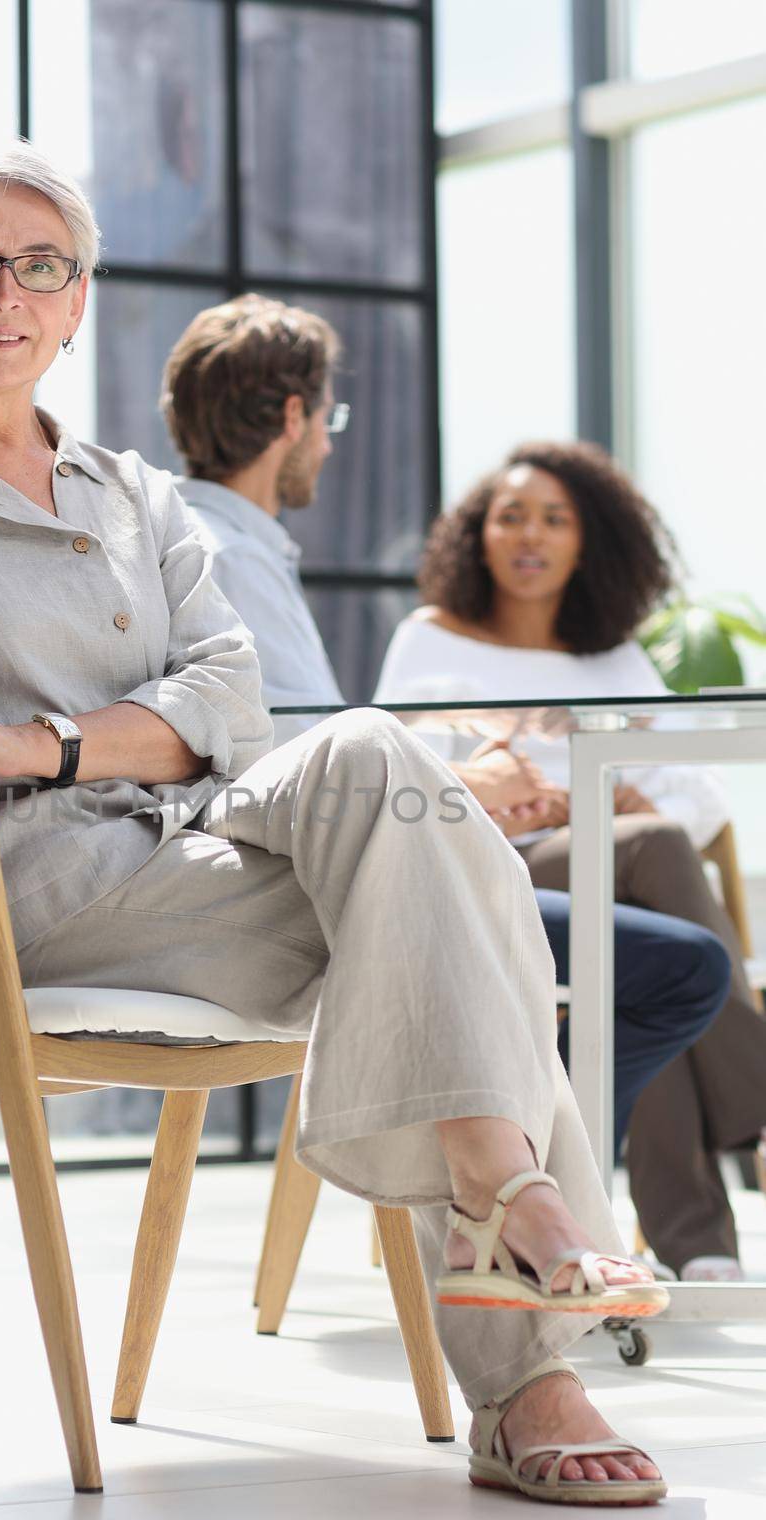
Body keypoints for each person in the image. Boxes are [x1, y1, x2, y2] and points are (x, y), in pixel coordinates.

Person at [0, 144, 667, 1505]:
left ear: (79, 301)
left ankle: (511, 1226)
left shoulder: (130, 492)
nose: (3, 293)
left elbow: (231, 695)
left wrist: (41, 739)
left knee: (383, 761)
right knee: (465, 899)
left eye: (42, 266)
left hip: (182, 846)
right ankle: (527, 1348)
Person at [162, 293, 730, 1194]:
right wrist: (472, 787)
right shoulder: (226, 559)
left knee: (663, 941)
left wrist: (470, 783)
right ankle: (522, 1202)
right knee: (679, 968)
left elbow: (294, 751)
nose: (331, 444)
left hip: (365, 859)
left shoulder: (218, 546)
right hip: (339, 888)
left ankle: (533, 1201)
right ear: (293, 417)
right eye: (329, 419)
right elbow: (301, 767)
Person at [377, 442, 766, 1281]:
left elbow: (696, 793)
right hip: (489, 873)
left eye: (555, 520)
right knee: (650, 866)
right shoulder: (429, 641)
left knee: (642, 950)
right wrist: (538, 799)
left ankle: (700, 1252)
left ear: (588, 542)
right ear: (476, 535)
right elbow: (399, 774)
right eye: (510, 515)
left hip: (607, 883)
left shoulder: (614, 659)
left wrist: (638, 805)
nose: (530, 535)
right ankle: (753, 1102)